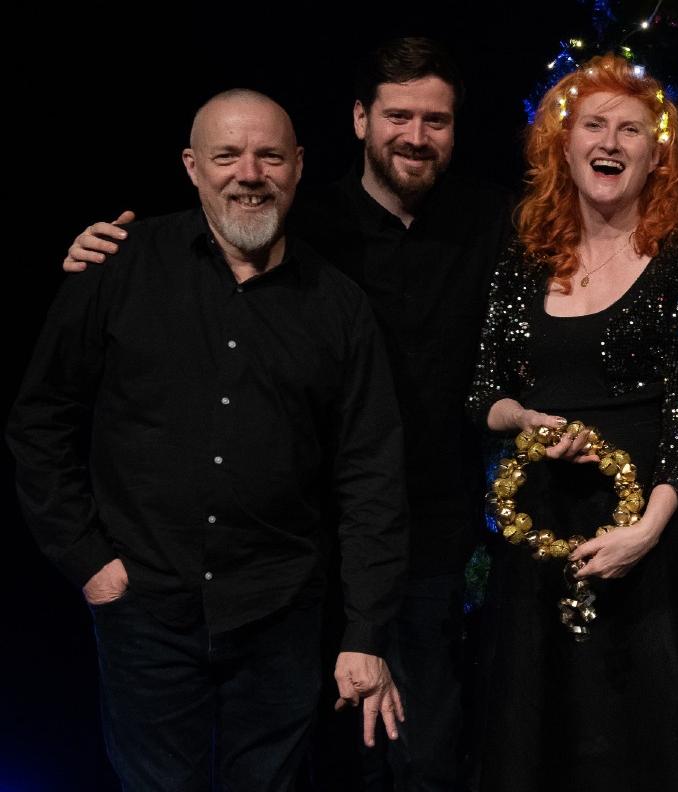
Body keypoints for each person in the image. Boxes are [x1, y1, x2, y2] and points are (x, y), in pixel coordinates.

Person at [60, 38, 508, 791]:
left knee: (420, 753)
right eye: (399, 114)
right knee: (304, 762)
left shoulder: (494, 226)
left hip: (422, 536)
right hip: (292, 556)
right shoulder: (299, 221)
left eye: (437, 120)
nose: (417, 135)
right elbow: (196, 243)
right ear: (361, 119)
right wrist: (97, 250)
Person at [9, 89, 407, 790]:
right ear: (193, 166)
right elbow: (40, 421)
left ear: (299, 166)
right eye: (227, 155)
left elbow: (370, 474)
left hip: (280, 614)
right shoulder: (117, 267)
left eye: (269, 156)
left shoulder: (340, 306)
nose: (248, 173)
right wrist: (86, 560)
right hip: (145, 610)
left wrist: (364, 630)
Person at [464, 54, 678, 792]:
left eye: (632, 129)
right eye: (595, 124)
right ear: (565, 141)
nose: (611, 140)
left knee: (650, 727)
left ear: (657, 152)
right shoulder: (524, 253)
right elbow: (483, 390)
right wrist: (525, 418)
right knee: (537, 723)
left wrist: (646, 529)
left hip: (656, 531)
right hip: (543, 524)